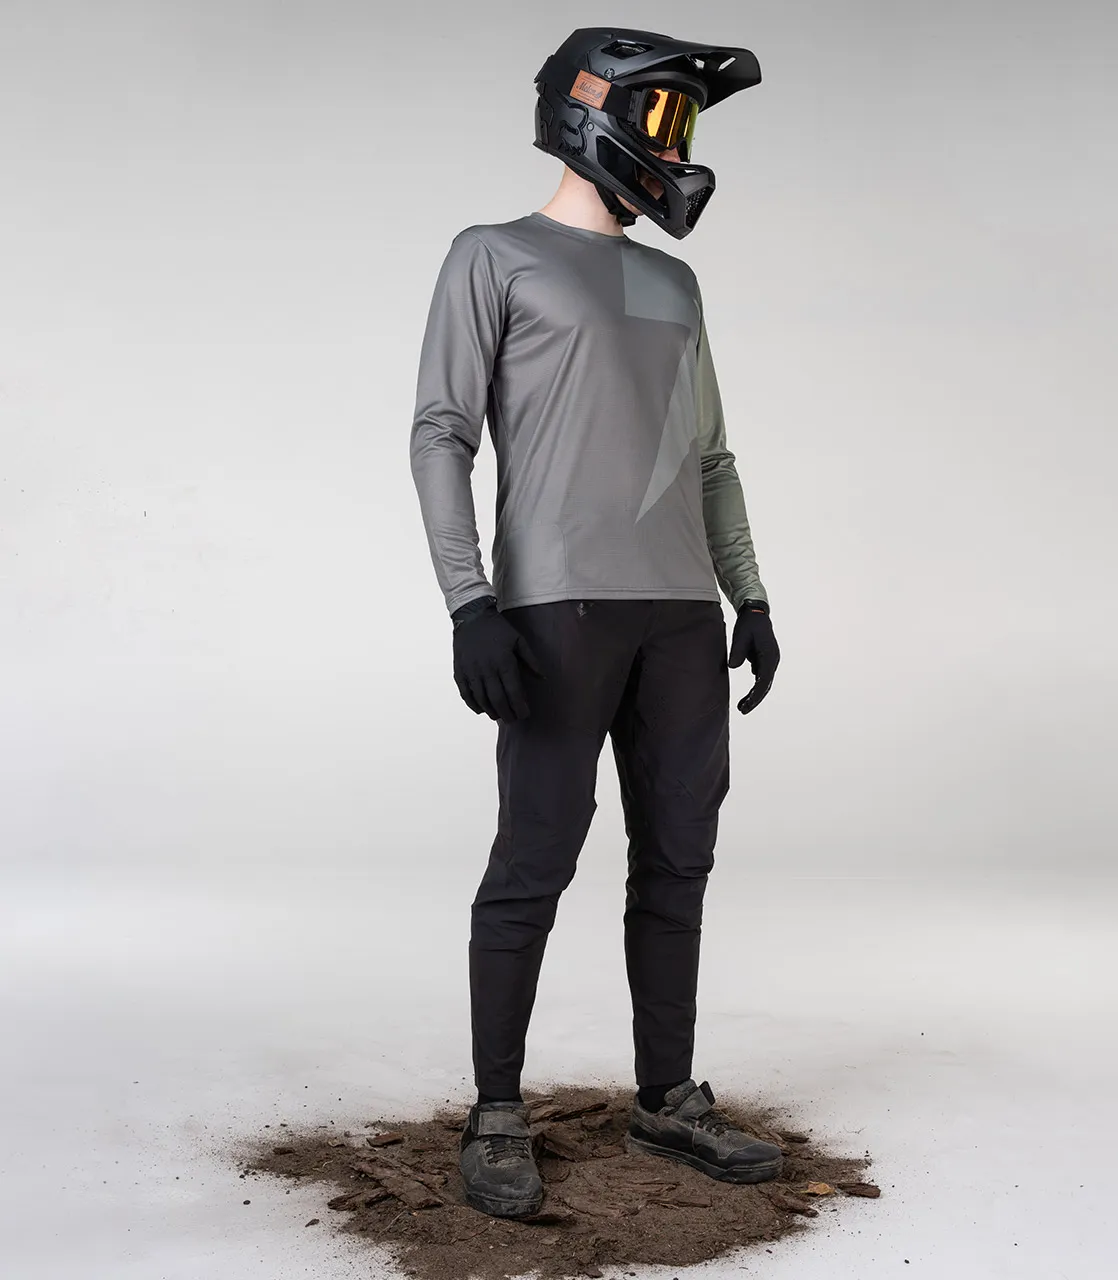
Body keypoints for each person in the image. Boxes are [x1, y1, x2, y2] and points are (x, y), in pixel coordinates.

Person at [409, 27, 782, 1219]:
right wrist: (470, 601)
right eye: (660, 117)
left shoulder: (674, 284)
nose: (674, 146)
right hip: (556, 611)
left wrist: (748, 594)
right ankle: (495, 1113)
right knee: (534, 856)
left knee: (678, 854)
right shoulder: (492, 255)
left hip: (677, 614)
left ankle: (665, 1095)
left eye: (684, 123)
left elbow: (710, 456)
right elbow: (441, 433)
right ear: (589, 110)